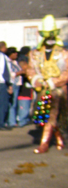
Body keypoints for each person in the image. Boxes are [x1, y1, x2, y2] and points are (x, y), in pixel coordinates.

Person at [26, 15, 68, 153]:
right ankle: (60, 139)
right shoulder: (35, 53)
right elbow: (30, 69)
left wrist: (54, 82)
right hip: (42, 90)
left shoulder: (63, 53)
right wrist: (36, 79)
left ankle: (44, 143)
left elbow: (66, 72)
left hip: (58, 91)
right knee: (45, 116)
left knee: (52, 114)